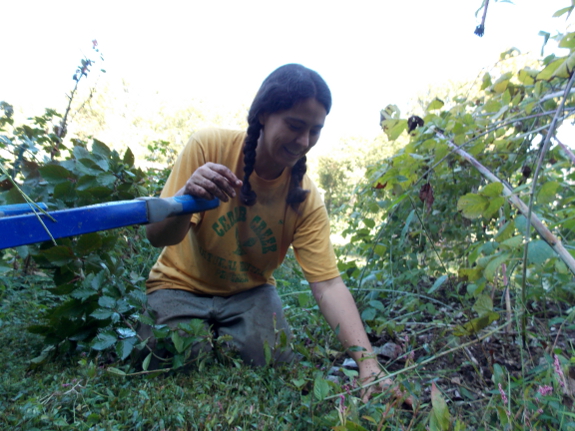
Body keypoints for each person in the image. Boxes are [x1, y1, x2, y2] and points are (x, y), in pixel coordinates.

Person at [141, 64, 405, 403]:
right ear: (263, 115)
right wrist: (188, 199)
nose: (303, 141)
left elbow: (327, 285)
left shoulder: (305, 198)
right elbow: (157, 236)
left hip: (250, 294)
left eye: (315, 130)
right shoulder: (209, 147)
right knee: (167, 355)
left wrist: (368, 363)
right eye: (295, 126)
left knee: (272, 361)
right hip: (178, 285)